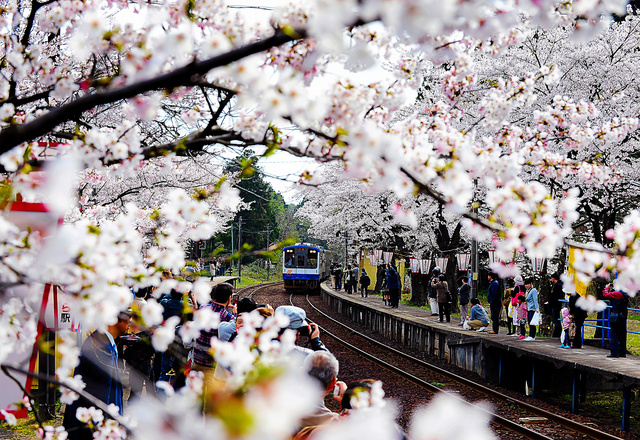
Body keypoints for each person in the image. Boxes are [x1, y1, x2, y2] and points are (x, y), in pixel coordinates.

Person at [63, 311, 131, 440]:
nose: (130, 325)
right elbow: (100, 391)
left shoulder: (102, 341)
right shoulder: (100, 346)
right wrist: (104, 422)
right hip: (93, 420)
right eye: (128, 321)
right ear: (115, 321)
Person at [192, 283, 236, 378]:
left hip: (197, 358)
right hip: (211, 364)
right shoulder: (227, 317)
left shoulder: (203, 308)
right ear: (229, 298)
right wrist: (235, 314)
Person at [299, 351, 347, 429]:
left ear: (300, 374)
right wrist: (346, 402)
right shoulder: (333, 422)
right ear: (333, 384)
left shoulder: (275, 399)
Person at [603, 283, 629, 358]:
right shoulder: (625, 294)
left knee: (614, 334)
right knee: (622, 335)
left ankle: (614, 352)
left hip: (616, 316)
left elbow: (606, 295)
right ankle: (622, 352)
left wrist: (606, 288)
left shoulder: (618, 294)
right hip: (623, 316)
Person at [549, 273, 565, 338]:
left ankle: (557, 333)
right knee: (556, 318)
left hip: (555, 304)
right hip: (557, 304)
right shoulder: (560, 285)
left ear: (554, 278)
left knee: (556, 319)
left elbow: (554, 295)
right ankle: (557, 333)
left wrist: (550, 299)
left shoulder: (558, 286)